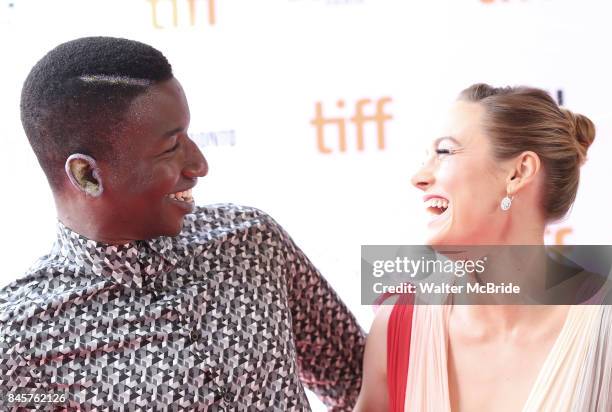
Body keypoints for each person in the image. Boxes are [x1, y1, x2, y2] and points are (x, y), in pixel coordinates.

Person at [0, 36, 364, 411]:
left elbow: (360, 379)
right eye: (172, 147)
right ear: (87, 174)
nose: (199, 165)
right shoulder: (18, 340)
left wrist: (419, 283)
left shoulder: (250, 240)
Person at [354, 84, 611, 411]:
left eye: (444, 152)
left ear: (518, 172)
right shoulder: (398, 326)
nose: (419, 177)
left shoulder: (603, 330)